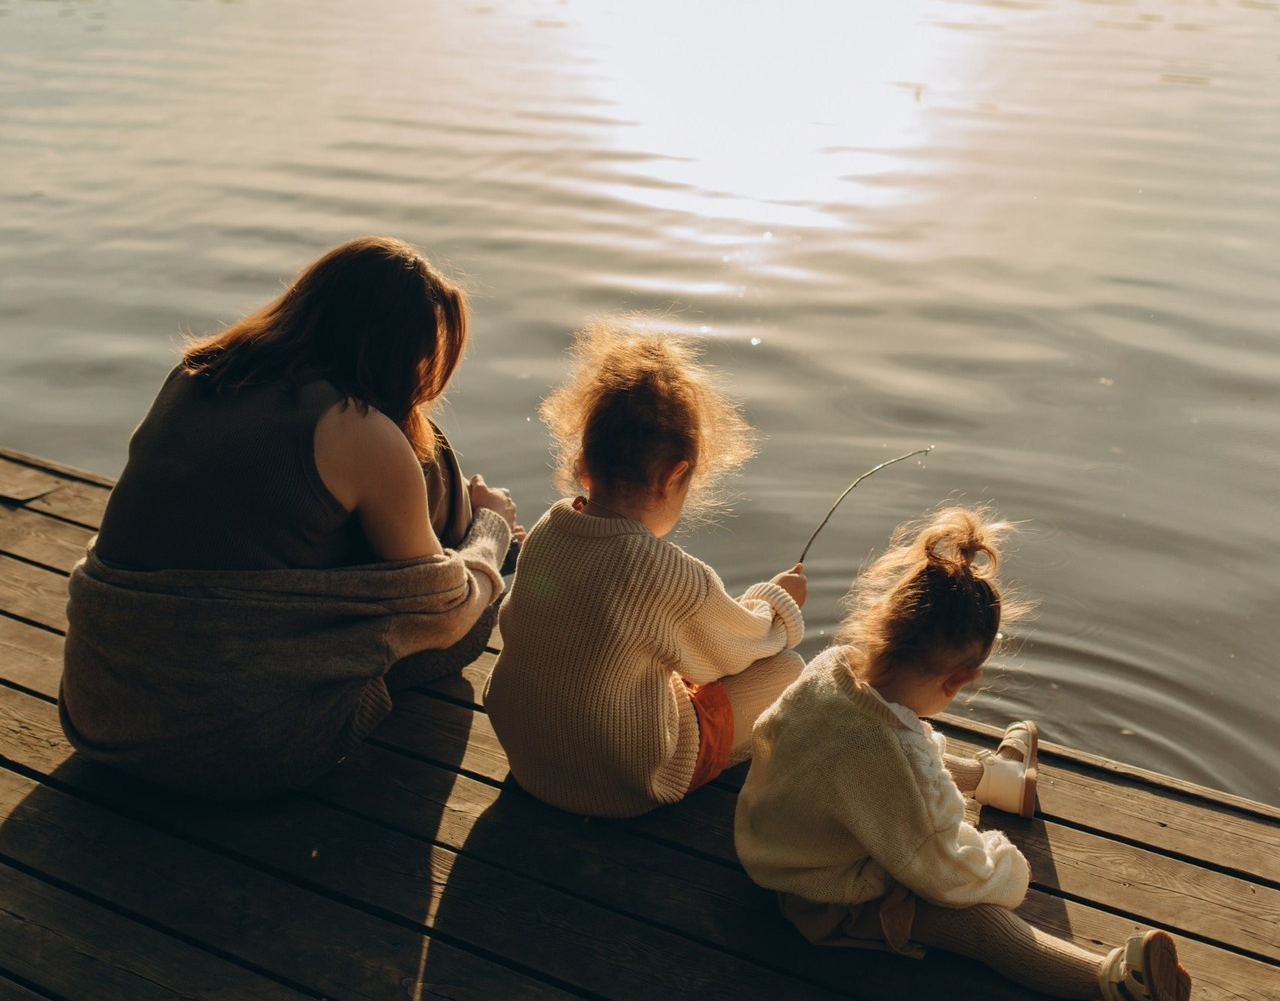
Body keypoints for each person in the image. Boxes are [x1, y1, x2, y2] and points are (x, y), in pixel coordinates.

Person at [60, 236, 522, 799]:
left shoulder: (196, 373)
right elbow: (444, 614)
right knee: (475, 597)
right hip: (236, 748)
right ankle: (472, 541)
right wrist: (491, 530)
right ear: (405, 350)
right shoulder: (356, 428)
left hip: (98, 714)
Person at [734, 506, 1191, 1001]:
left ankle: (994, 778)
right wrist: (1007, 867)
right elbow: (944, 870)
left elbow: (899, 757)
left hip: (784, 838)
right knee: (987, 930)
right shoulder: (889, 759)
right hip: (828, 894)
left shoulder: (831, 670)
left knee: (909, 753)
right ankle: (1117, 982)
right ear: (960, 680)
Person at [483, 320, 806, 819]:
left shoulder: (550, 528)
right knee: (787, 670)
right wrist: (778, 604)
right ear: (675, 474)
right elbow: (743, 648)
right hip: (621, 783)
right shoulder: (661, 572)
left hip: (528, 757)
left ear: (585, 463)